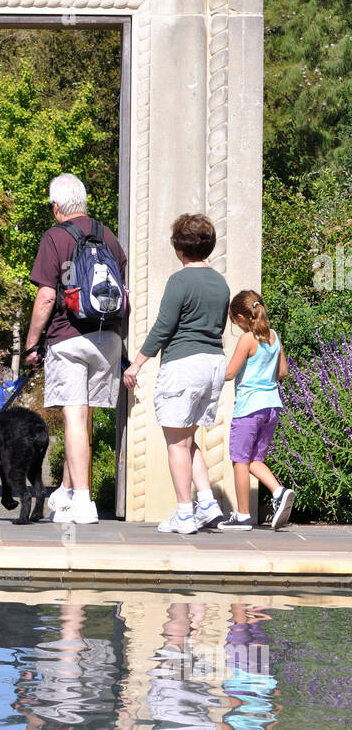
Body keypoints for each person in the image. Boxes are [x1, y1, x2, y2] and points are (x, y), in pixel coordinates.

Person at [25, 173, 127, 525]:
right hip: (108, 337)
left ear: (56, 207)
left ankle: (83, 501)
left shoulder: (54, 238)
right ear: (82, 201)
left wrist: (31, 344)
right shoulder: (107, 236)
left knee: (73, 415)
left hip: (68, 337)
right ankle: (67, 493)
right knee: (85, 418)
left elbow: (47, 296)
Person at [123, 213, 228, 534]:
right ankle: (207, 502)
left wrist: (137, 363)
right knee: (187, 437)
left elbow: (163, 328)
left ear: (178, 246)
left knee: (175, 443)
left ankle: (185, 512)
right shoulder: (220, 282)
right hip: (213, 365)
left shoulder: (180, 281)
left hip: (184, 365)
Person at [218, 290, 294, 531]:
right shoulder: (273, 336)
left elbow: (229, 374)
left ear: (241, 316)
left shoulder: (247, 339)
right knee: (253, 459)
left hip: (249, 407)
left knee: (240, 460)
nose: (236, 327)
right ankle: (279, 491)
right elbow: (283, 372)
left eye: (235, 322)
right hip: (271, 406)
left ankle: (242, 515)